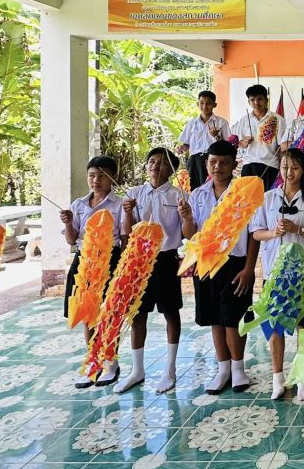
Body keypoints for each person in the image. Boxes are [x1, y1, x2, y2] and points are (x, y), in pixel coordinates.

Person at [179, 140, 259, 394]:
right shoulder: (197, 195)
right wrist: (187, 219)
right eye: (213, 162)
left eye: (224, 162)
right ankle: (223, 368)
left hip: (235, 263)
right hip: (206, 263)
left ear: (234, 164)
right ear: (206, 164)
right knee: (215, 317)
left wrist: (249, 268)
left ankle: (238, 368)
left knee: (234, 318)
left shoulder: (244, 193)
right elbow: (191, 235)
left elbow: (254, 234)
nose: (218, 167)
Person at [249, 148, 304, 401]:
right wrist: (274, 233)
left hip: (303, 271)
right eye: (285, 167)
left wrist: (297, 228)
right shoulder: (268, 198)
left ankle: (303, 378)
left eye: (295, 168)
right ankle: (277, 378)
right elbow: (256, 232)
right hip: (275, 271)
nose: (289, 173)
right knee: (275, 326)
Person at [116, 148, 187, 394]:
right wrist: (128, 212)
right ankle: (137, 370)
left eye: (162, 163)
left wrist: (186, 216)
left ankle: (170, 370)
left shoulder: (179, 196)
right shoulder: (134, 194)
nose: (155, 166)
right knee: (137, 315)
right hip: (138, 259)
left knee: (170, 312)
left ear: (172, 170)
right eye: (152, 161)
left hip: (166, 259)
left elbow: (187, 232)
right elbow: (126, 231)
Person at [61, 155, 125, 388]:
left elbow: (124, 237)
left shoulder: (120, 205)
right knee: (87, 312)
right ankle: (93, 362)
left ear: (113, 177)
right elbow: (71, 239)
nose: (96, 181)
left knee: (109, 312)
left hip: (109, 259)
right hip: (84, 262)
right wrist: (68, 222)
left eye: (102, 176)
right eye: (92, 176)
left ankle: (111, 362)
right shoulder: (78, 205)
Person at [232, 84, 285, 191]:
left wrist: (282, 167)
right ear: (249, 102)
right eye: (252, 100)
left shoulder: (277, 119)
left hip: (270, 165)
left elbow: (281, 146)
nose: (256, 102)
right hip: (249, 165)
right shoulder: (244, 120)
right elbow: (240, 143)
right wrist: (245, 142)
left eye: (260, 99)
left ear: (266, 100)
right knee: (247, 198)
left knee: (268, 198)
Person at [178, 90, 230, 189]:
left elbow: (228, 146)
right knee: (193, 189)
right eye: (202, 103)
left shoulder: (221, 122)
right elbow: (186, 144)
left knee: (212, 188)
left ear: (215, 105)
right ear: (197, 104)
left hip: (213, 160)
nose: (205, 106)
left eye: (208, 103)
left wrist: (216, 136)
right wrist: (181, 148)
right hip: (194, 160)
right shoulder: (192, 123)